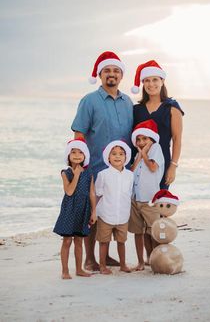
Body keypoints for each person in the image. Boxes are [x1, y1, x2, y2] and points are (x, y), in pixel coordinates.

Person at [71, 51, 133, 270]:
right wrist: (79, 166)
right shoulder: (89, 100)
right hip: (95, 166)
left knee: (113, 211)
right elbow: (79, 133)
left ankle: (106, 256)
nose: (112, 74)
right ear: (100, 74)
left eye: (116, 71)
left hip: (120, 170)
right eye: (107, 70)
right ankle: (90, 259)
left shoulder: (127, 102)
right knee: (92, 213)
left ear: (121, 76)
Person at [131, 59, 184, 263]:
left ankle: (162, 255)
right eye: (147, 81)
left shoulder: (172, 108)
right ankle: (149, 258)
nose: (151, 84)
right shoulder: (137, 110)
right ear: (143, 84)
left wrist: (174, 166)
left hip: (161, 166)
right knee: (142, 211)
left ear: (162, 81)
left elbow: (178, 140)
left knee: (159, 213)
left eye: (155, 80)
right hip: (140, 167)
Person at [53, 138, 96, 279]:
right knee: (67, 240)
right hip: (69, 210)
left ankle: (79, 269)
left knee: (79, 240)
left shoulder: (89, 173)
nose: (77, 155)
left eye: (80, 152)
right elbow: (69, 191)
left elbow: (91, 193)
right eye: (73, 152)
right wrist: (76, 174)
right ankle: (65, 271)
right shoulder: (66, 173)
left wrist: (94, 211)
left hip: (83, 209)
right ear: (68, 155)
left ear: (85, 156)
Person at [128, 119, 165, 270]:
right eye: (139, 139)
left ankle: (156, 258)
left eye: (145, 138)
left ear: (152, 139)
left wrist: (144, 153)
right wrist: (140, 154)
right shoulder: (138, 154)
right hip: (136, 198)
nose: (141, 141)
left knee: (153, 231)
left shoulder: (156, 149)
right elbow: (130, 173)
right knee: (139, 232)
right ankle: (142, 261)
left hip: (150, 199)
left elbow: (153, 167)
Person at [95, 140, 133, 274]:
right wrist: (93, 212)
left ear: (126, 157)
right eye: (114, 154)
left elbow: (129, 194)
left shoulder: (130, 175)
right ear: (108, 157)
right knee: (104, 242)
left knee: (121, 241)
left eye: (121, 154)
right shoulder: (103, 175)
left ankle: (123, 265)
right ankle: (102, 266)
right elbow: (98, 193)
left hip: (123, 215)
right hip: (106, 214)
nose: (117, 156)